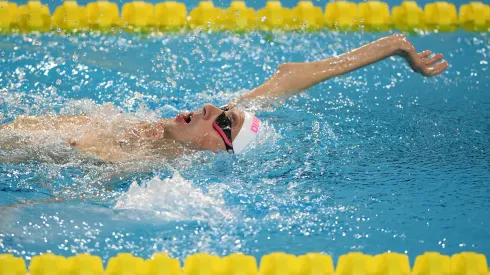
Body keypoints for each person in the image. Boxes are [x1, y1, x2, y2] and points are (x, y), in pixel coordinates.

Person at [0, 34, 448, 163]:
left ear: (218, 147)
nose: (211, 107)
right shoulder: (194, 135)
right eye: (224, 109)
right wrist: (394, 45)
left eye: (224, 121)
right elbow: (290, 77)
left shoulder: (151, 164)